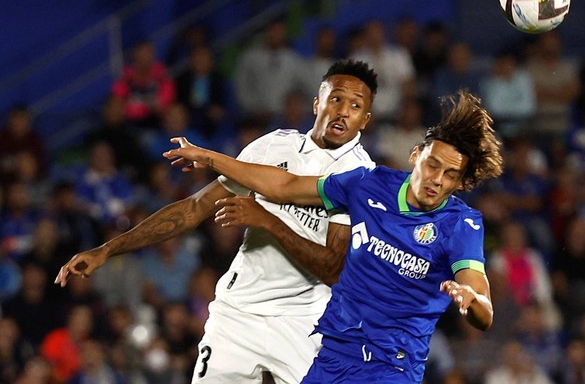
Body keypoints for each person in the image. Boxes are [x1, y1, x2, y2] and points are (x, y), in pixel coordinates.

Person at [55, 59, 378, 384]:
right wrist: (108, 249)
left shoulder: (361, 176)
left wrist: (269, 221)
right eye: (336, 98)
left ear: (365, 119)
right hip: (237, 313)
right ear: (317, 102)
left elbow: (333, 269)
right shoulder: (274, 144)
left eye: (355, 105)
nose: (343, 111)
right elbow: (195, 207)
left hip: (304, 320)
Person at [161, 90, 504, 383]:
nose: (437, 179)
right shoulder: (368, 184)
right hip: (334, 352)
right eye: (433, 165)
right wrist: (209, 157)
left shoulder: (460, 225)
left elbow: (481, 300)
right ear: (416, 156)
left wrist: (471, 301)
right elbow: (284, 185)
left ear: (460, 183)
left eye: (450, 175)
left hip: (391, 366)